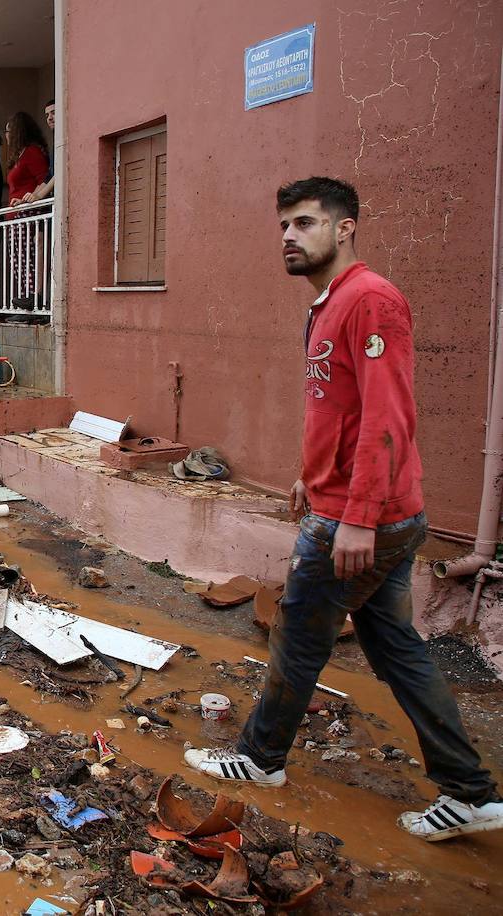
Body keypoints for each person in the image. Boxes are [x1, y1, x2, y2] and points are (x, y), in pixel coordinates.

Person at [184, 177, 502, 842]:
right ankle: (469, 791)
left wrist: (355, 514)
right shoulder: (327, 307)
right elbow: (342, 407)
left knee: (298, 638)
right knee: (395, 649)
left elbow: (389, 418)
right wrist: (314, 475)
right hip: (362, 507)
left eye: (304, 223)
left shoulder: (371, 301)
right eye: (283, 227)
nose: (289, 238)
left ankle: (259, 757)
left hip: (366, 520)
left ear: (346, 227)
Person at [2, 112, 51, 307]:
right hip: (14, 215)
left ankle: (34, 296)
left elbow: (43, 180)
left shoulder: (32, 152)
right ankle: (25, 298)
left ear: (17, 132)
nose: (6, 135)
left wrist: (29, 199)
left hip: (28, 213)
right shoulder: (19, 155)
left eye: (8, 131)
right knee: (17, 259)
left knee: (26, 255)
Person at [15, 101, 56, 206]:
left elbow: (59, 173)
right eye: (47, 115)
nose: (49, 118)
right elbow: (48, 177)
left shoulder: (33, 151)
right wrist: (27, 199)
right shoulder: (55, 140)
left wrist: (39, 196)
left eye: (54, 112)